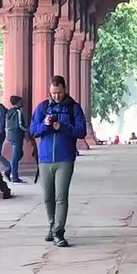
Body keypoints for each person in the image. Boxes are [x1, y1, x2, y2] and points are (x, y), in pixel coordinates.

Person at [31, 76, 88, 247]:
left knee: (61, 197)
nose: (56, 96)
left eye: (59, 92)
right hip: (45, 158)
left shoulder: (73, 108)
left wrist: (62, 127)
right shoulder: (43, 107)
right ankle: (52, 225)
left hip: (65, 158)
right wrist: (46, 125)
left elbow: (81, 131)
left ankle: (59, 231)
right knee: (48, 197)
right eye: (53, 93)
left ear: (65, 90)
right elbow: (33, 131)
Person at [4, 96, 27, 184]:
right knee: (16, 156)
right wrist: (27, 130)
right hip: (18, 135)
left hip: (11, 134)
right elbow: (20, 124)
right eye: (21, 101)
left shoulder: (9, 112)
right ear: (18, 102)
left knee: (18, 154)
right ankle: (14, 176)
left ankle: (9, 170)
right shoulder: (18, 111)